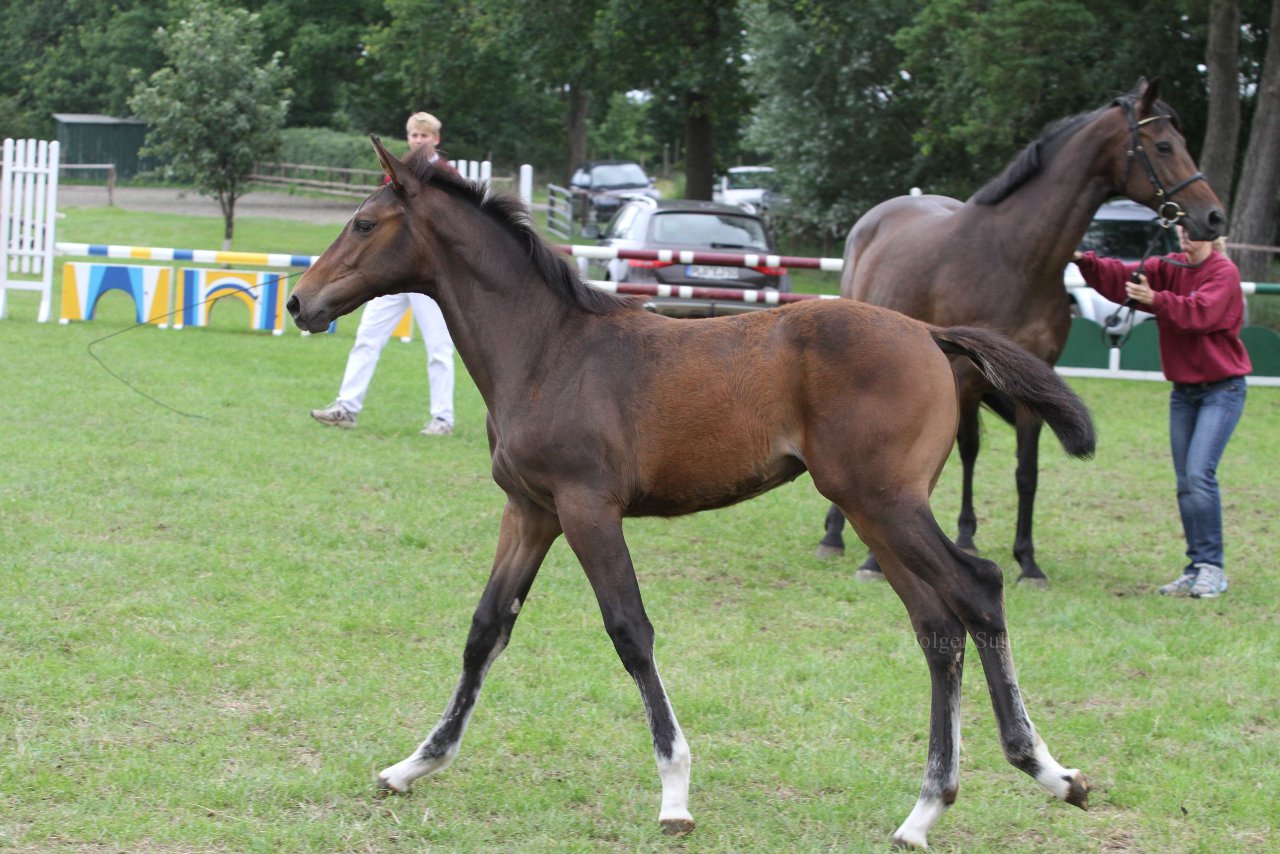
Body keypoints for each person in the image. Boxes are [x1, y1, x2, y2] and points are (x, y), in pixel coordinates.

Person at [1073, 225, 1251, 598]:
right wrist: (1081, 259)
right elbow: (1121, 276)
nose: (1188, 235)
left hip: (1223, 390)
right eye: (1186, 228)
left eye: (1198, 230)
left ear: (1213, 236)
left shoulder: (1224, 272)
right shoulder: (1169, 266)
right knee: (1186, 482)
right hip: (1183, 394)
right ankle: (1197, 566)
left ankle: (1212, 569)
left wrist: (1155, 299)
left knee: (1199, 475)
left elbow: (1202, 313)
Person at [311, 112, 457, 436]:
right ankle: (346, 407)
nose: (418, 140)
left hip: (427, 278)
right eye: (414, 135)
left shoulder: (446, 175)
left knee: (438, 346)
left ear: (436, 139)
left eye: (424, 136)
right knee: (367, 337)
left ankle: (442, 418)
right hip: (391, 274)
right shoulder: (393, 174)